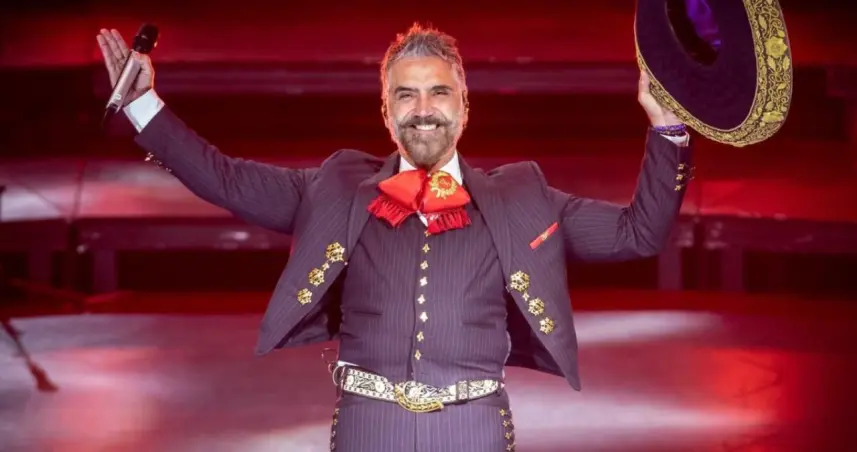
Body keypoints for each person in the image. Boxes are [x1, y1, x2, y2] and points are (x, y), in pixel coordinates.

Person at [96, 22, 693, 452]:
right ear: (386, 112)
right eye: (406, 94)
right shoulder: (334, 187)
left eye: (439, 92)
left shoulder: (523, 197)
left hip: (474, 431)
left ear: (465, 107)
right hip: (368, 429)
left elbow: (638, 233)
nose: (423, 108)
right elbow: (224, 177)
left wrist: (667, 130)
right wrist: (144, 105)